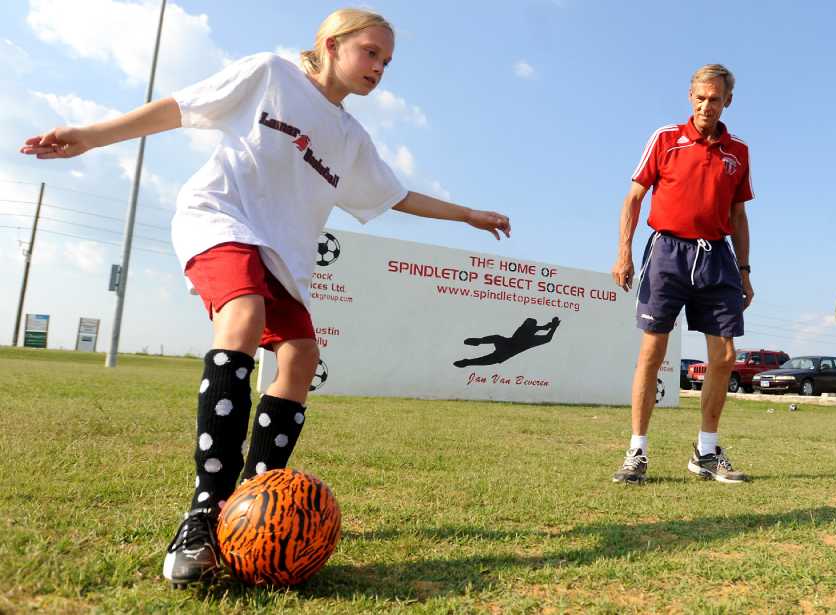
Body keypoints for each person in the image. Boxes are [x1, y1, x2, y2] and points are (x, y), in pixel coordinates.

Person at [21, 8, 511, 586]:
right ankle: (205, 514)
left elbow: (396, 195)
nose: (379, 67)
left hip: (282, 255)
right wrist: (92, 135)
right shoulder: (271, 75)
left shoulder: (351, 137)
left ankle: (257, 507)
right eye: (370, 52)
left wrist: (468, 215)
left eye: (386, 60)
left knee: (302, 355)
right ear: (330, 44)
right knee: (244, 314)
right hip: (220, 217)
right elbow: (183, 108)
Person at [610, 64, 754, 485]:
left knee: (725, 357)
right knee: (652, 354)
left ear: (728, 100)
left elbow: (739, 215)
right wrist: (624, 253)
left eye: (715, 99)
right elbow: (633, 198)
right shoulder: (665, 139)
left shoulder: (738, 152)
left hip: (717, 257)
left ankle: (706, 453)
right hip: (667, 252)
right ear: (690, 97)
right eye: (700, 98)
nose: (707, 106)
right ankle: (637, 452)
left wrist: (744, 270)